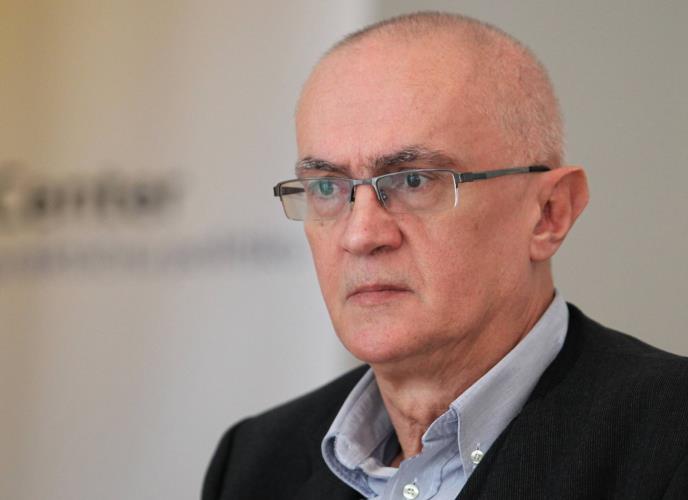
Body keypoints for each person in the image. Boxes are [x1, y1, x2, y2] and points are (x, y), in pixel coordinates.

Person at [203, 12, 688, 500]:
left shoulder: (670, 440)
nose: (361, 234)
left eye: (414, 180)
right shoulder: (255, 463)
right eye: (327, 187)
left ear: (549, 213)